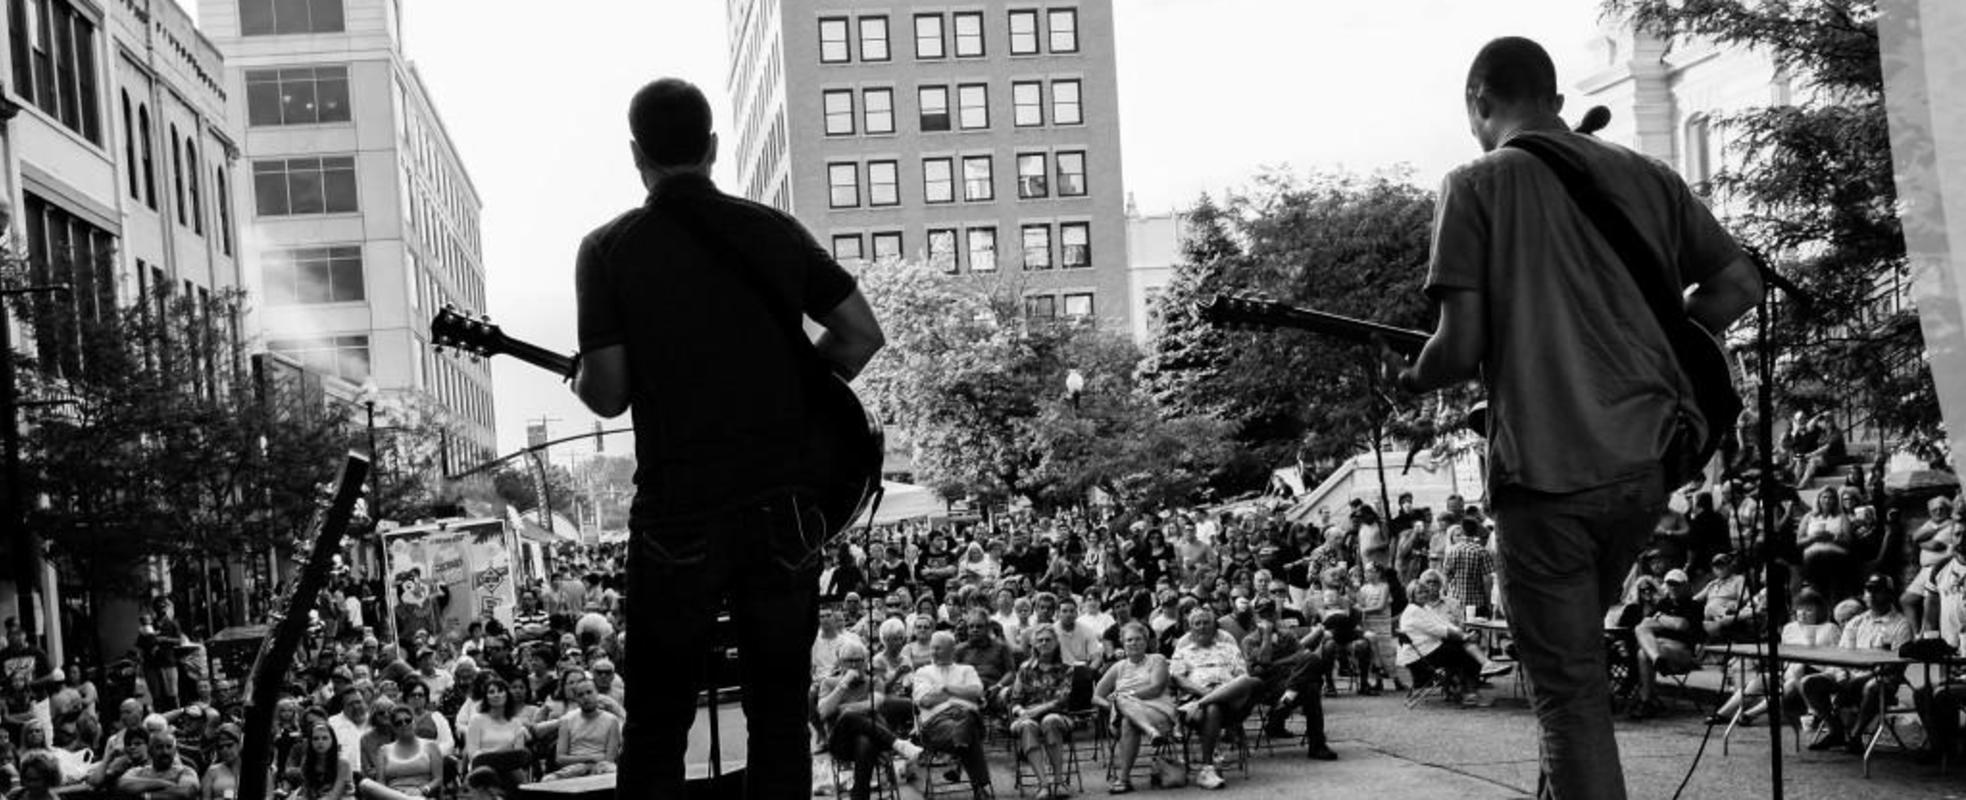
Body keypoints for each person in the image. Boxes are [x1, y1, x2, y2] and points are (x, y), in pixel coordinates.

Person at [1378, 36, 1761, 800]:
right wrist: (1662, 338)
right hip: (1644, 466)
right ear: (1555, 100)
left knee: (1571, 695)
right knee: (1574, 667)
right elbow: (1738, 283)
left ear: (1478, 101)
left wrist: (1408, 376)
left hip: (1548, 472)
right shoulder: (1649, 176)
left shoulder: (1475, 184)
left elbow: (1459, 349)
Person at [569, 77, 886, 800]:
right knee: (778, 713)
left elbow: (610, 392)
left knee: (656, 719)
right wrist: (801, 392)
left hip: (678, 512)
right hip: (783, 511)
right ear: (712, 148)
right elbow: (862, 334)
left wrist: (584, 377)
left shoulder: (608, 249)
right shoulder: (775, 231)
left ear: (635, 154)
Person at [1799, 574, 1913, 751]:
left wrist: (1859, 678)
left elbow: (1895, 666)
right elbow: (1841, 655)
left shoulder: (1901, 624)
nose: (1872, 595)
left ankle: (1855, 735)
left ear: (1890, 595)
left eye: (1878, 591)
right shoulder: (1857, 621)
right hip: (1850, 674)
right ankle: (1835, 731)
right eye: (1869, 591)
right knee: (1809, 682)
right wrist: (1842, 674)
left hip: (1881, 679)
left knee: (1873, 686)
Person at [1169, 609, 1266, 790]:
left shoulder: (1228, 647)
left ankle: (1203, 703)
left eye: (1206, 622)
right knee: (1213, 707)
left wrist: (1221, 691)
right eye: (1197, 623)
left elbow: (1241, 675)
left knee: (1251, 681)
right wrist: (1205, 692)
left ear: (1214, 626)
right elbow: (1178, 679)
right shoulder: (1184, 651)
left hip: (1230, 702)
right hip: (1197, 702)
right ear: (1190, 628)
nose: (1202, 627)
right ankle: (1207, 769)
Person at [1094, 622, 1178, 794]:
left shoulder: (1157, 660)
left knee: (1127, 716)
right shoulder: (1118, 667)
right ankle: (1150, 731)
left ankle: (1123, 780)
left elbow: (1156, 688)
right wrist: (1112, 706)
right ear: (1123, 644)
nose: (1133, 643)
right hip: (1124, 712)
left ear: (1146, 642)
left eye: (1138, 639)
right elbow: (1096, 696)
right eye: (1129, 640)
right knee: (1124, 713)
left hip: (1157, 710)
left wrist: (1127, 697)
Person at [911, 631, 991, 798]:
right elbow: (925, 701)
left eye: (938, 648)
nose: (933, 652)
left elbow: (977, 691)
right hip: (937, 723)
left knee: (967, 720)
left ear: (951, 650)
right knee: (970, 726)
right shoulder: (923, 672)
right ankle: (980, 787)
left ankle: (956, 755)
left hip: (965, 716)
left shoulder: (966, 670)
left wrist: (947, 689)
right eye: (932, 648)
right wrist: (960, 694)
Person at [1003, 626, 1075, 800]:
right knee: (1027, 725)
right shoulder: (1025, 668)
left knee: (1049, 720)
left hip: (1059, 716)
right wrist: (1021, 712)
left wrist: (1036, 711)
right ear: (1033, 644)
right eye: (1040, 640)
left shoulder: (1066, 668)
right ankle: (1043, 784)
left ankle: (1058, 782)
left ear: (1056, 643)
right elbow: (1015, 700)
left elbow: (1061, 700)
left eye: (1048, 640)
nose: (1044, 643)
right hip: (1027, 718)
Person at [118, 730, 201, 800]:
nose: (165, 752)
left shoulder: (185, 771)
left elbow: (185, 792)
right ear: (150, 751)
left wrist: (147, 796)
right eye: (159, 747)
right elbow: (122, 784)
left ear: (175, 751)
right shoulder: (138, 771)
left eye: (169, 747)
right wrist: (165, 783)